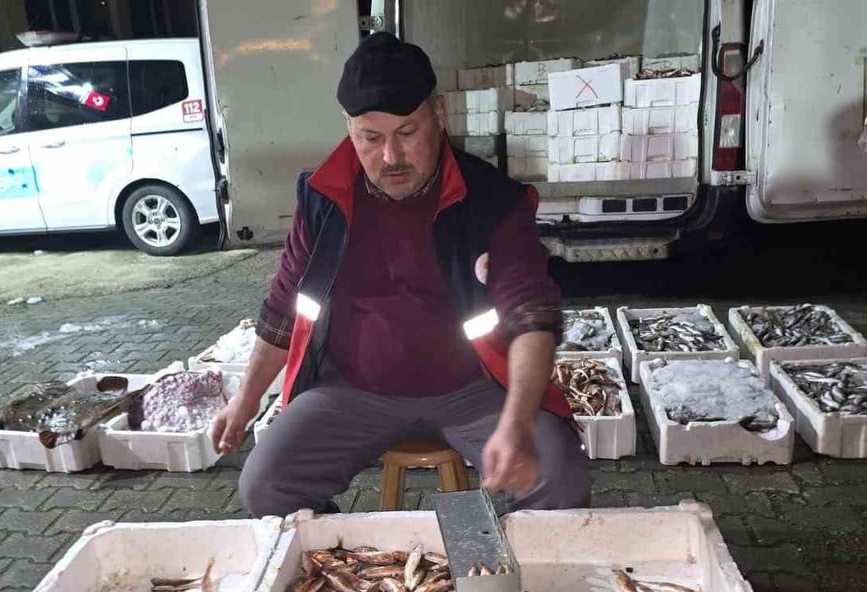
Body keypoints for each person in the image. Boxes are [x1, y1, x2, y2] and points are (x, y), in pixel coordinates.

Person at [210, 33, 591, 517]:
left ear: (439, 114)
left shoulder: (493, 200)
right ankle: (348, 570)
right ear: (349, 129)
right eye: (371, 137)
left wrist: (516, 425)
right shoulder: (322, 198)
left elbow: (532, 313)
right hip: (351, 390)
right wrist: (243, 405)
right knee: (266, 485)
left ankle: (511, 586)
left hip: (475, 392)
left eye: (407, 132)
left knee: (558, 480)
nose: (390, 157)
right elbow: (284, 308)